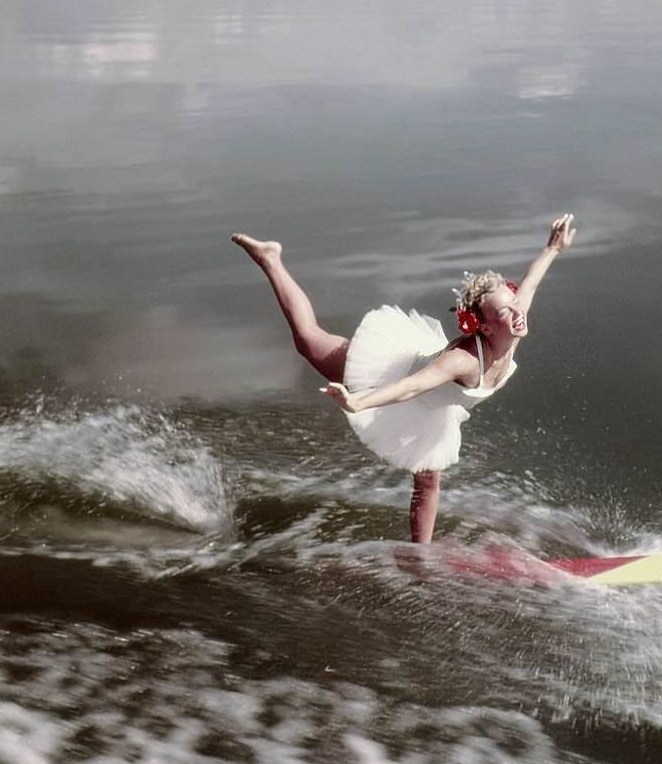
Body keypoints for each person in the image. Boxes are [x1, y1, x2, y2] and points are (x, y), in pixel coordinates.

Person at [232, 213, 576, 543]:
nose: (518, 313)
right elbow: (409, 387)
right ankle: (270, 258)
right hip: (392, 377)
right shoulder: (463, 361)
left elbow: (530, 282)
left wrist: (553, 248)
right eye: (506, 311)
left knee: (428, 483)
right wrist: (357, 401)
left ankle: (419, 557)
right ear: (485, 327)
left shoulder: (514, 320)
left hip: (433, 408)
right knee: (308, 339)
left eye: (515, 303)